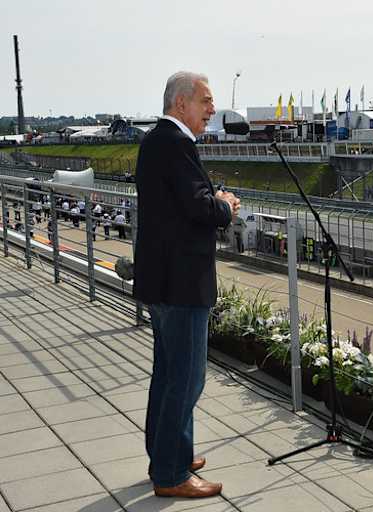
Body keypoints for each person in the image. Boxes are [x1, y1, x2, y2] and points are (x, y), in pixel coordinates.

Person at [133, 71, 240, 498]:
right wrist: (226, 206)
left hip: (162, 279)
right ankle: (172, 473)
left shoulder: (156, 141)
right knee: (187, 377)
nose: (212, 110)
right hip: (181, 283)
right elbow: (197, 208)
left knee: (168, 373)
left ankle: (167, 452)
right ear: (181, 104)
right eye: (206, 102)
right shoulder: (176, 145)